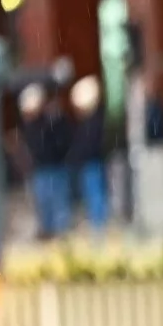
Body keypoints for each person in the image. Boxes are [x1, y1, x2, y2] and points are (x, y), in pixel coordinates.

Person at [16, 83, 70, 239]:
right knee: (44, 204)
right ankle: (47, 232)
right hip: (40, 170)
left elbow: (59, 142)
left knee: (58, 204)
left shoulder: (51, 121)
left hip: (53, 167)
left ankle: (60, 234)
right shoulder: (31, 125)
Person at [67, 76, 109, 232]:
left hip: (93, 164)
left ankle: (99, 228)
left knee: (96, 197)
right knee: (92, 198)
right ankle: (96, 226)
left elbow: (90, 145)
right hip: (88, 165)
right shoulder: (88, 122)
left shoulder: (94, 122)